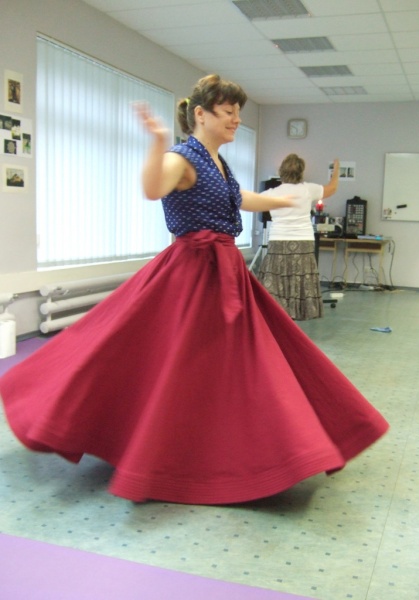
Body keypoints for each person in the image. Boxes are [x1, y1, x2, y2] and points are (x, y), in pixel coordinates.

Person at [0, 74, 388, 505]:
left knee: (243, 358)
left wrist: (278, 201)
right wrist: (157, 141)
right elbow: (152, 188)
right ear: (200, 115)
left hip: (225, 269)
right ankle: (178, 452)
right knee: (174, 360)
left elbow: (237, 197)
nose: (236, 120)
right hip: (193, 271)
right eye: (228, 112)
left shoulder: (217, 161)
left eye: (238, 113)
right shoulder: (180, 158)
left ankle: (248, 445)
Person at [258, 154, 340, 320]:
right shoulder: (308, 189)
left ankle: (278, 315)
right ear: (301, 172)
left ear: (281, 171)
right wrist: (336, 169)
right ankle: (297, 313)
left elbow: (250, 202)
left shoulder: (271, 193)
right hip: (304, 241)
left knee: (277, 279)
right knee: (300, 277)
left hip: (278, 241)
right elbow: (332, 188)